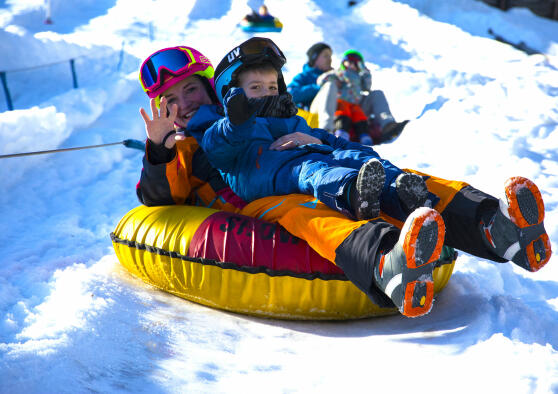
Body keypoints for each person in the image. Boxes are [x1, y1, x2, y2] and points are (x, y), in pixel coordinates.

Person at [136, 44, 552, 318]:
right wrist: (158, 149)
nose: (183, 102)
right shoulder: (180, 145)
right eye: (170, 99)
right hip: (253, 201)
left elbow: (323, 134)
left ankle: (493, 226)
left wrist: (312, 136)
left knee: (403, 180)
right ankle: (388, 262)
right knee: (305, 212)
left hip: (307, 168)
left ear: (211, 88)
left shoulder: (258, 107)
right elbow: (160, 196)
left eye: (189, 89)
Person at [198, 37, 428, 222]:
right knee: (311, 168)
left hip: (315, 139)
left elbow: (334, 144)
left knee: (347, 156)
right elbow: (217, 143)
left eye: (271, 86)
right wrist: (236, 121)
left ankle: (400, 190)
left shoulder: (291, 120)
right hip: (278, 171)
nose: (267, 92)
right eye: (256, 87)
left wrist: (324, 144)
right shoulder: (229, 127)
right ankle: (353, 193)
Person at [287, 42, 408, 144]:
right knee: (330, 85)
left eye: (331, 56)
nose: (330, 59)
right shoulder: (305, 76)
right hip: (318, 115)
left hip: (348, 111)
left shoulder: (340, 73)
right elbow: (291, 95)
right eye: (326, 56)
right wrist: (319, 87)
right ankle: (325, 131)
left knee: (376, 94)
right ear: (314, 58)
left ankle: (387, 125)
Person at [319, 49, 375, 144]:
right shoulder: (339, 72)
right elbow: (322, 79)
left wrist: (366, 72)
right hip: (342, 100)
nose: (351, 65)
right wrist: (333, 80)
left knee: (359, 115)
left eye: (355, 63)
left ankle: (364, 135)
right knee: (343, 112)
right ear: (343, 63)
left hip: (355, 103)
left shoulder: (360, 76)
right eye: (349, 62)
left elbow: (367, 87)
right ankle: (342, 132)